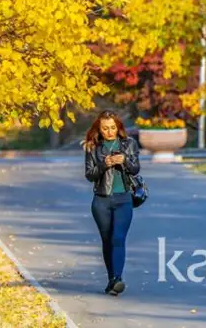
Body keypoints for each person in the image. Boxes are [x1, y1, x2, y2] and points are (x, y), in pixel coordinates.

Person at [84, 110, 141, 296]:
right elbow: (89, 175)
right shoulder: (92, 147)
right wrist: (104, 164)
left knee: (118, 238)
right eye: (105, 128)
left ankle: (117, 278)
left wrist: (124, 160)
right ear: (99, 129)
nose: (109, 132)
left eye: (112, 128)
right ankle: (112, 280)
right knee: (107, 240)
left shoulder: (129, 144)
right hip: (101, 201)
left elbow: (135, 169)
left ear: (118, 127)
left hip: (123, 199)